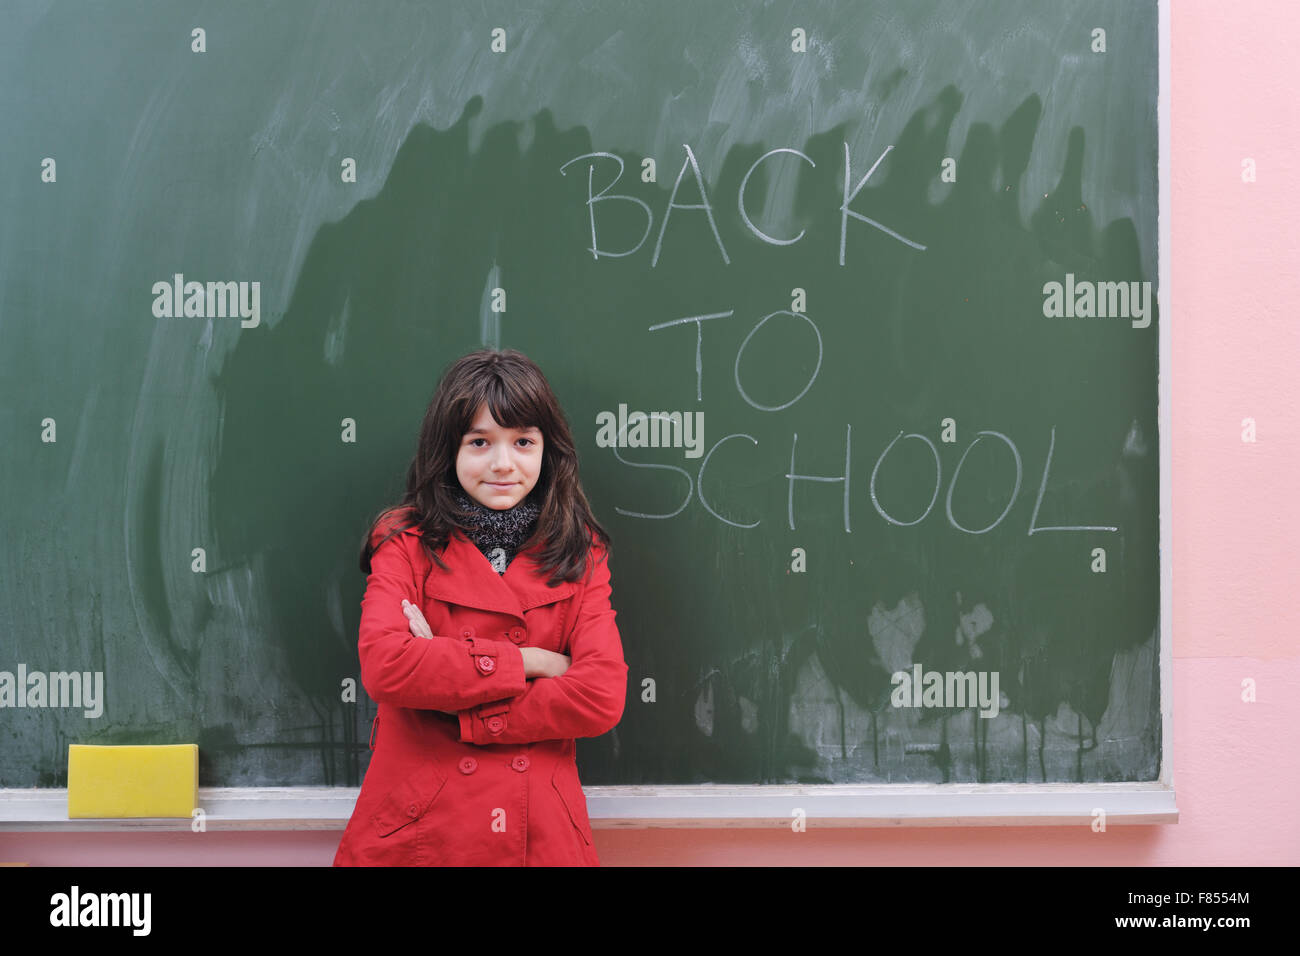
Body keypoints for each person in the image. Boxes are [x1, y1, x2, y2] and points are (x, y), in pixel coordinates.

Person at [333, 348, 626, 866]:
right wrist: (531, 663)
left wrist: (455, 691)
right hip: (420, 832)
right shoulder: (404, 541)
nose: (503, 464)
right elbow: (387, 666)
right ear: (448, 450)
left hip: (540, 833)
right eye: (479, 442)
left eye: (523, 442)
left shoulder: (581, 550)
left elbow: (600, 695)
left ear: (547, 450)